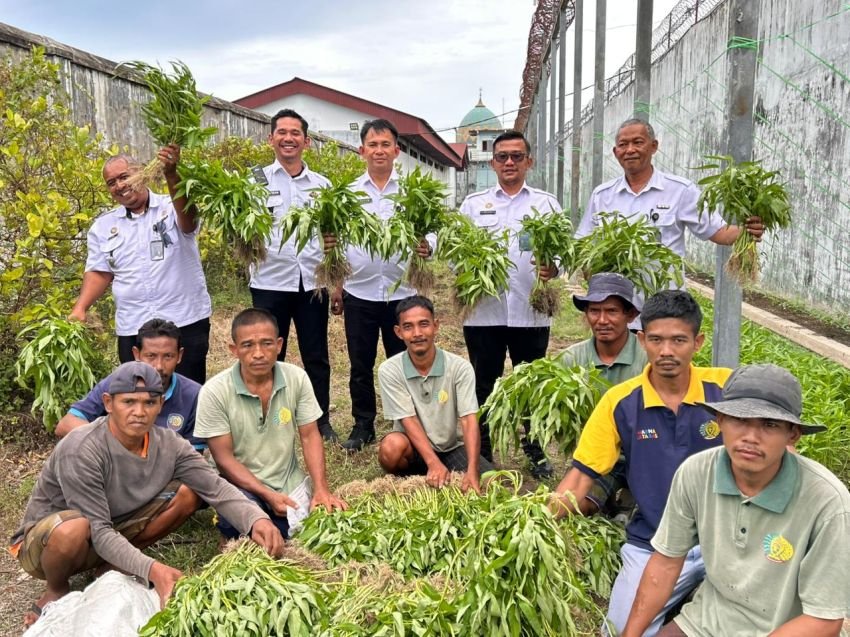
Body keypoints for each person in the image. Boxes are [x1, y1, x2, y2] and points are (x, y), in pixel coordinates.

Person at [9, 361, 284, 628]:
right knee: (73, 528)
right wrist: (154, 570)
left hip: (113, 527)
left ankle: (112, 562)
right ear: (108, 403)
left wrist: (257, 520)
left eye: (149, 403)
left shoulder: (169, 444)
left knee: (190, 492)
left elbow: (214, 486)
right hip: (49, 542)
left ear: (160, 405)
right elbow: (98, 528)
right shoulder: (82, 448)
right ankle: (56, 589)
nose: (139, 412)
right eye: (128, 402)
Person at [553, 290, 732, 636]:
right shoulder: (620, 401)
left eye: (679, 340)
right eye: (657, 340)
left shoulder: (726, 389)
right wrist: (537, 519)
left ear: (698, 342)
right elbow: (581, 476)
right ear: (642, 340)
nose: (666, 351)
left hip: (726, 543)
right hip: (654, 542)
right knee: (618, 631)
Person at [622, 364, 849, 637]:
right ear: (719, 420)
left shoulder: (826, 501)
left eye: (769, 424)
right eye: (740, 420)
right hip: (708, 620)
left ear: (793, 434)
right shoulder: (696, 472)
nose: (751, 438)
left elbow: (824, 620)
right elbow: (666, 563)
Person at [193, 308, 346, 543]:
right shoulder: (214, 391)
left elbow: (309, 436)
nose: (258, 354)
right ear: (234, 349)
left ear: (279, 344)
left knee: (315, 531)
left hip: (287, 482)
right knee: (247, 525)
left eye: (266, 344)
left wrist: (321, 489)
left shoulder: (296, 378)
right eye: (247, 345)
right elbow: (224, 460)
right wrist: (267, 494)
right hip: (239, 485)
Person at [459, 130, 561, 478]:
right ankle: (483, 452)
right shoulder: (474, 205)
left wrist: (554, 265)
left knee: (530, 385)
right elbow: (456, 252)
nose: (509, 162)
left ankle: (535, 451)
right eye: (502, 156)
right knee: (483, 384)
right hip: (483, 313)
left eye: (517, 156)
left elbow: (561, 250)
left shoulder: (545, 204)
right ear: (493, 162)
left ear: (528, 161)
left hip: (530, 313)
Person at [330, 119, 432, 452]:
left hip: (402, 294)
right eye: (372, 145)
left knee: (404, 359)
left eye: (385, 144)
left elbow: (433, 229)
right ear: (362, 150)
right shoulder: (349, 193)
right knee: (361, 363)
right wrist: (336, 286)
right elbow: (337, 240)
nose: (379, 150)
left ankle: (407, 423)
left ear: (396, 151)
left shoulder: (411, 191)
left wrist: (428, 245)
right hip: (359, 291)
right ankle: (363, 424)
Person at [69, 147, 211, 384]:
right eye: (111, 182)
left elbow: (188, 223)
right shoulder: (103, 227)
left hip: (184, 319)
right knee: (139, 394)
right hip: (133, 326)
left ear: (141, 173)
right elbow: (100, 272)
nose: (119, 186)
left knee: (189, 393)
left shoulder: (171, 207)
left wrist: (172, 174)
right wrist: (80, 308)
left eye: (124, 177)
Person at [248, 109, 336, 441]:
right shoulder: (254, 180)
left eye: (295, 133)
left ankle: (320, 421)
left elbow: (332, 237)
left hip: (312, 282)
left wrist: (335, 283)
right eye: (281, 132)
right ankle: (269, 420)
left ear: (306, 142)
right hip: (270, 281)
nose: (288, 138)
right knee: (269, 354)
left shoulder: (322, 185)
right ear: (271, 139)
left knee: (317, 355)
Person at [576, 118, 764, 254]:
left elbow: (719, 232)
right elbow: (582, 242)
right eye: (623, 145)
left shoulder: (680, 190)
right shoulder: (602, 195)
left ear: (654, 146)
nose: (630, 150)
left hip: (664, 304)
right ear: (616, 152)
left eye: (638, 142)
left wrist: (747, 231)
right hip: (617, 304)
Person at [376, 295, 494, 494]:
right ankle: (415, 477)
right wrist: (433, 462)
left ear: (436, 326)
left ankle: (441, 472)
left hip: (450, 446)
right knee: (391, 448)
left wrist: (472, 469)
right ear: (398, 332)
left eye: (424, 324)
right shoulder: (389, 370)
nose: (417, 333)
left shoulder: (460, 368)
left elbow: (468, 419)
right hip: (413, 447)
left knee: (491, 483)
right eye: (408, 327)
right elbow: (408, 419)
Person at [558, 272, 646, 515]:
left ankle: (627, 501)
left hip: (644, 456)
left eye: (612, 311)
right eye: (594, 311)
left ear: (630, 315)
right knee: (573, 505)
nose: (602, 320)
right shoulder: (571, 359)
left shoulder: (647, 357)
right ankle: (605, 501)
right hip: (596, 459)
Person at [55, 318, 203, 450]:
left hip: (166, 473)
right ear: (136, 354)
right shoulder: (116, 382)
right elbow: (66, 424)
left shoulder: (194, 395)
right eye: (151, 356)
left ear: (179, 356)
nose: (158, 365)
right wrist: (114, 446)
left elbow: (194, 457)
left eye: (168, 356)